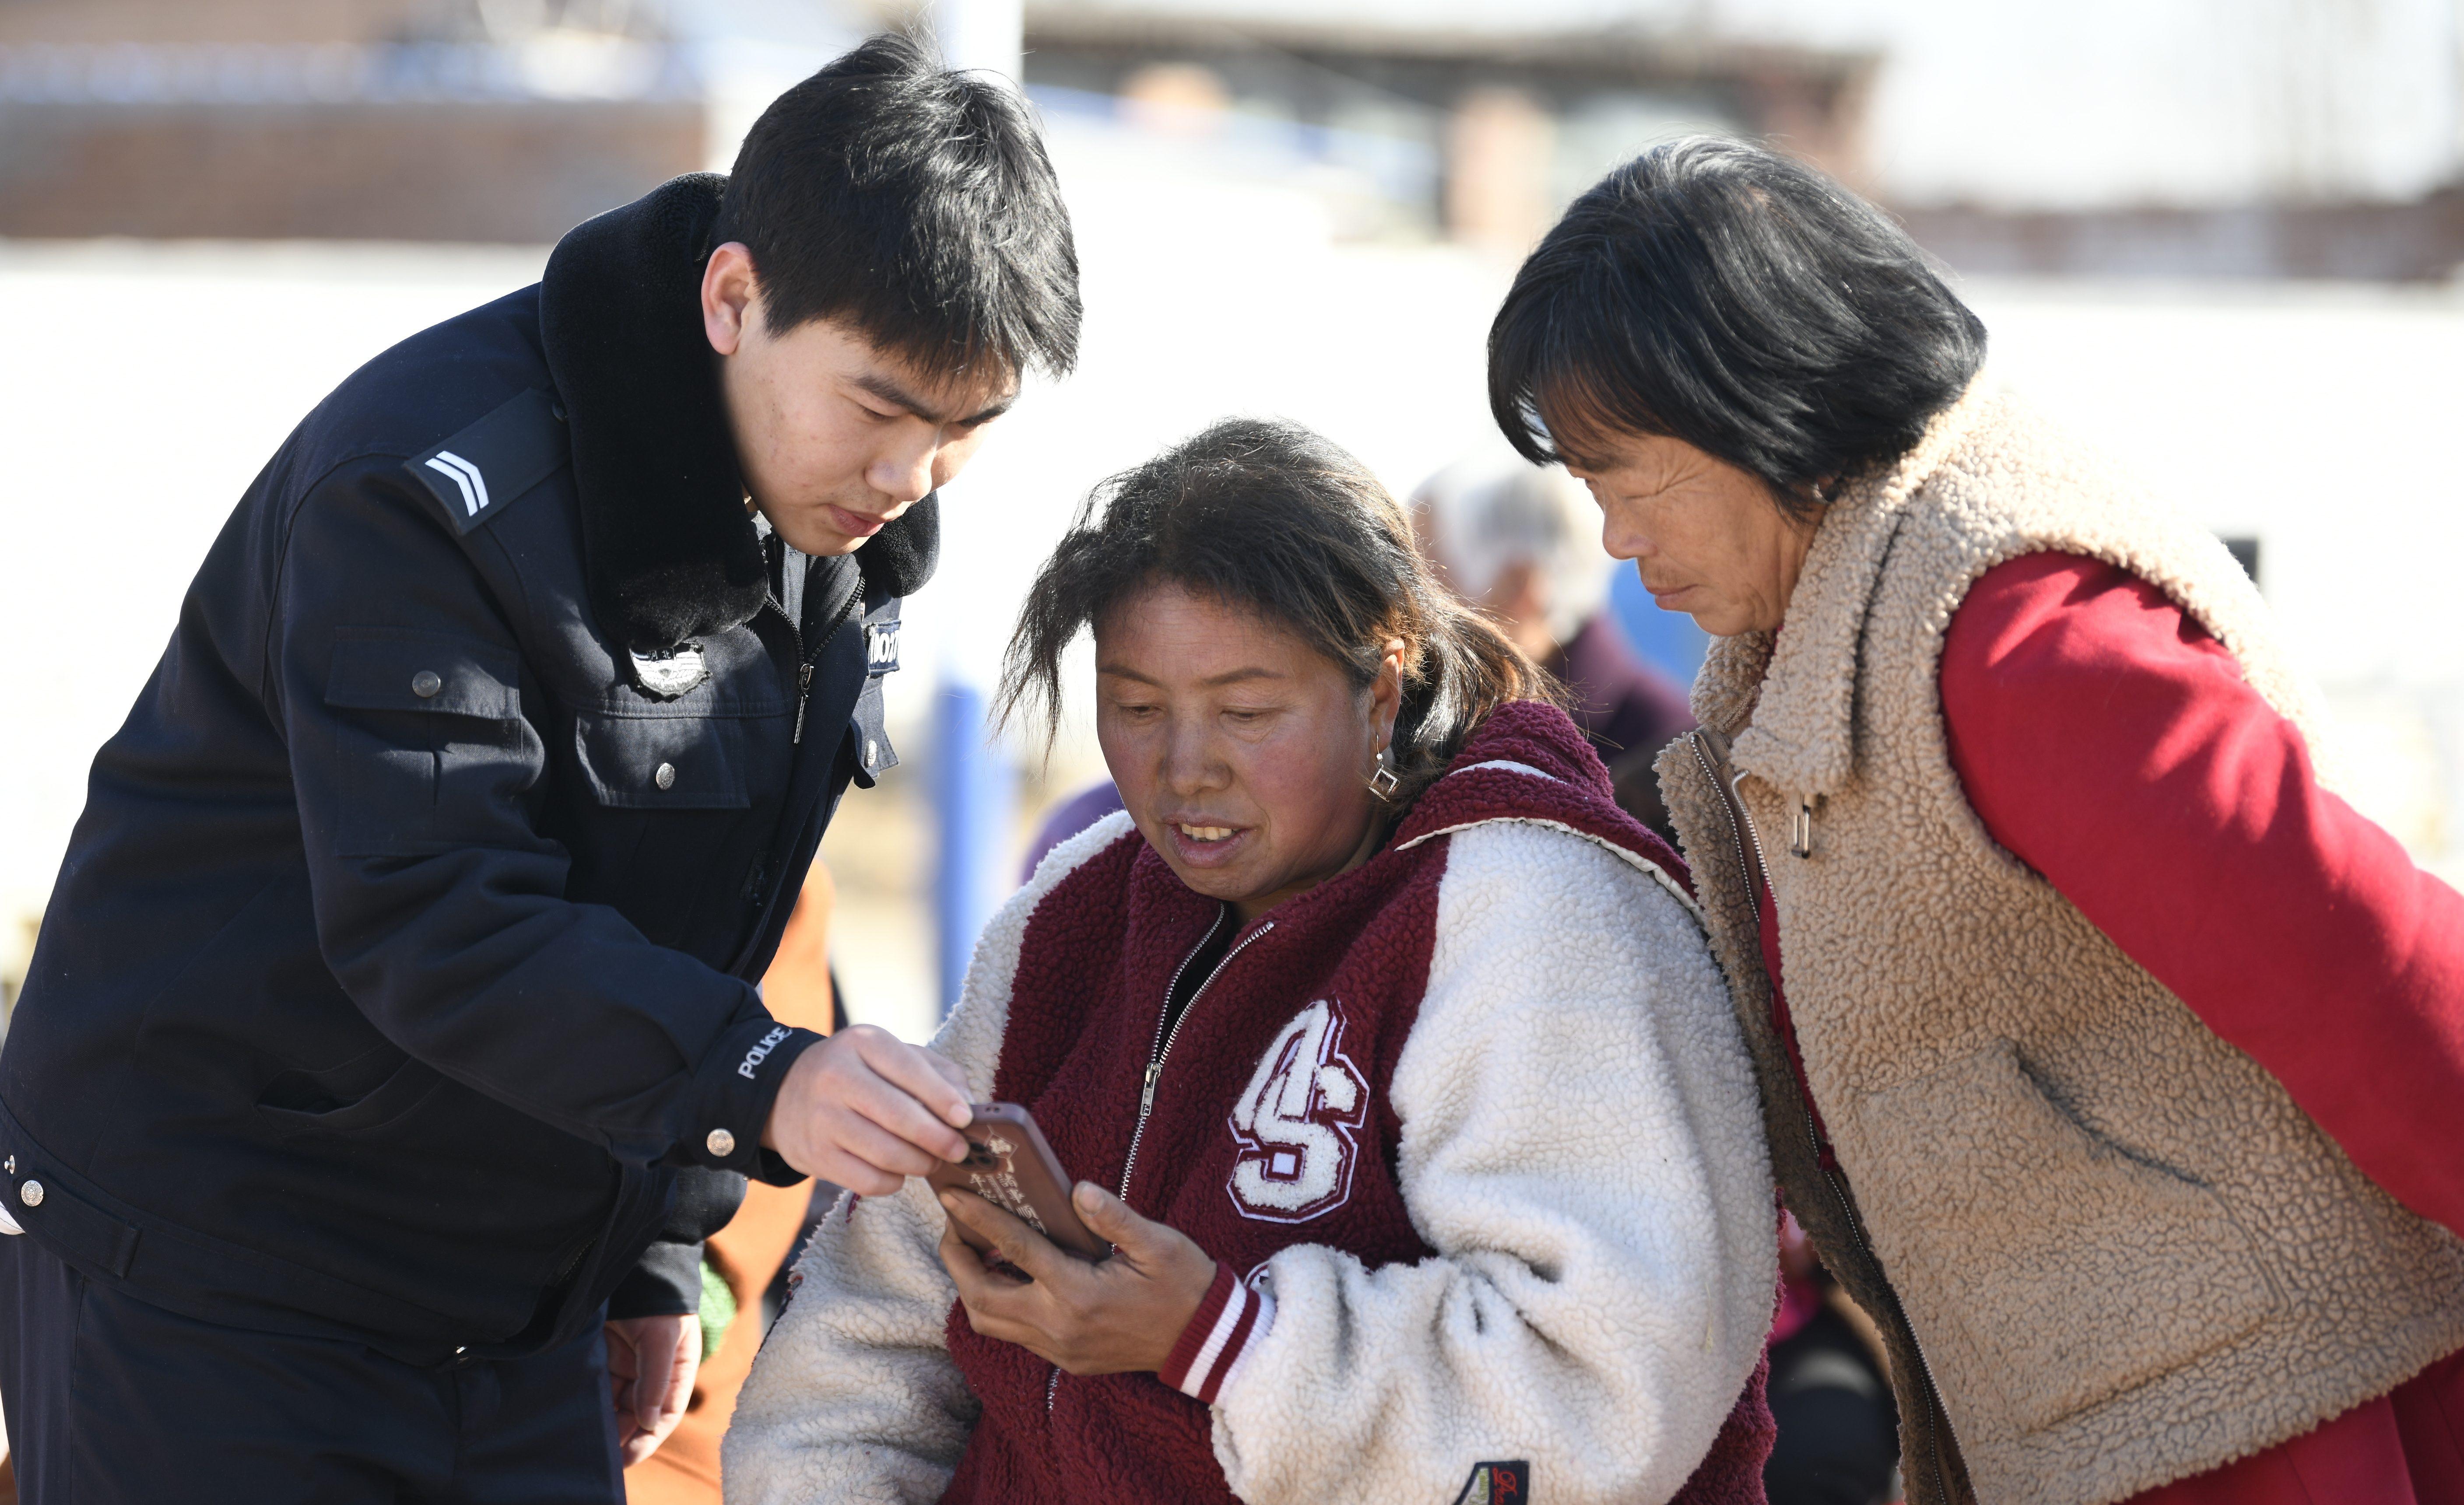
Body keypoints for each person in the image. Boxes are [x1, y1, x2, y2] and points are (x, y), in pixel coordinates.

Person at [0, 35, 1077, 1504]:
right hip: (219, 1274)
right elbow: (435, 915)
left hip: (514, 1299)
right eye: (882, 408)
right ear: (731, 298)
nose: (911, 475)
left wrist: (648, 1238)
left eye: (965, 431)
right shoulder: (426, 492)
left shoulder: (836, 519)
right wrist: (759, 1081)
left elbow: (712, 905)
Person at [1487, 136, 2464, 1505]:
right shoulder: (1816, 630)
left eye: (1625, 474)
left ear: (1754, 402)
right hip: (2100, 1425)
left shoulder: (2010, 635)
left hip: (2268, 1427)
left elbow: (2363, 967)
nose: (1612, 539)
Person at [725, 418, 1779, 1505]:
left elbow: (1604, 1381)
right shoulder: (1079, 906)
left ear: (1381, 685)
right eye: (1135, 708)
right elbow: (873, 1325)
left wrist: (1224, 1340)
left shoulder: (1534, 910)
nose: (1186, 771)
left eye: (1246, 711)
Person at [1412, 454, 1695, 840]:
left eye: (1426, 574)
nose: (1408, 608)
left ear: (1519, 587)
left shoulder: (1670, 756)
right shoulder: (1441, 731)